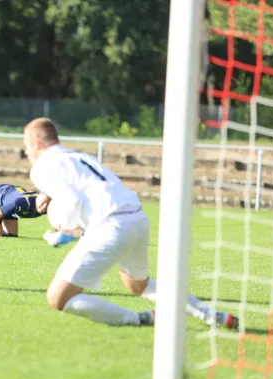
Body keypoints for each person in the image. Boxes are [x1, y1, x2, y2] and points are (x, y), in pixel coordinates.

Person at [23, 117, 238, 328]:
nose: (26, 152)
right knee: (138, 285)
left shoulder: (42, 165)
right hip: (136, 217)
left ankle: (139, 319)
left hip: (110, 225)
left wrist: (64, 230)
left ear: (37, 144)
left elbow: (72, 200)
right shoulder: (78, 156)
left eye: (26, 146)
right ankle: (213, 316)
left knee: (57, 298)